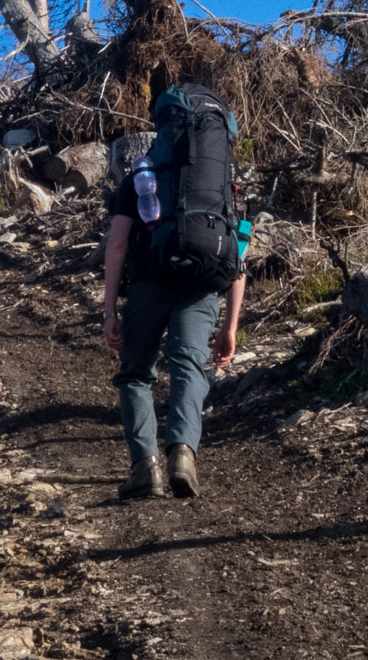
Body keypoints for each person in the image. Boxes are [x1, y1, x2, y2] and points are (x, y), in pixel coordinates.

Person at [101, 161, 246, 500]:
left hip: (148, 284)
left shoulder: (139, 178)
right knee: (188, 368)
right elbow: (239, 257)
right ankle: (182, 455)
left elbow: (118, 245)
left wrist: (109, 311)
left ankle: (146, 468)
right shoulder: (218, 180)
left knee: (135, 374)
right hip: (201, 286)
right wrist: (231, 325)